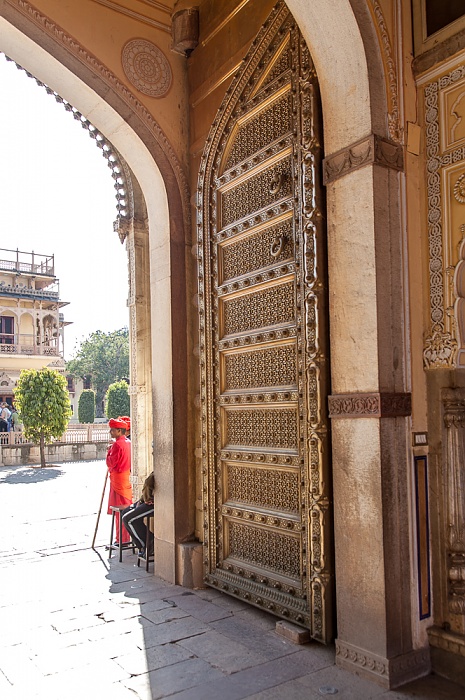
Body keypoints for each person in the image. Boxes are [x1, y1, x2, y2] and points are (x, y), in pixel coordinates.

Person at [106, 416, 132, 545]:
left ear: (119, 431)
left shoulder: (117, 444)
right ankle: (125, 537)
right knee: (126, 508)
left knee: (120, 513)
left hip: (118, 480)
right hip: (126, 479)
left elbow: (111, 463)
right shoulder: (128, 443)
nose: (111, 432)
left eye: (113, 430)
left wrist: (109, 452)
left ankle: (121, 539)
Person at [122, 471, 155, 557]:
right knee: (125, 513)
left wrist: (148, 499)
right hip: (146, 500)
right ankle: (147, 540)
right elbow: (147, 485)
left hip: (154, 503)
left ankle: (147, 544)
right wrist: (141, 500)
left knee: (128, 519)